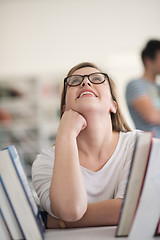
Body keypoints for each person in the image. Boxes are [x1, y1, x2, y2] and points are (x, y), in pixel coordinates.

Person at [32, 62, 140, 229]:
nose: (86, 82)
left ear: (113, 105)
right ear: (64, 108)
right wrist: (66, 135)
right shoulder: (45, 162)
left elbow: (132, 210)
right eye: (75, 81)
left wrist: (52, 222)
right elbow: (71, 210)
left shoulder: (139, 144)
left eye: (97, 79)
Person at [126, 40, 160, 138]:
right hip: (151, 145)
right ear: (148, 61)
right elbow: (152, 116)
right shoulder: (135, 84)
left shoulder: (158, 87)